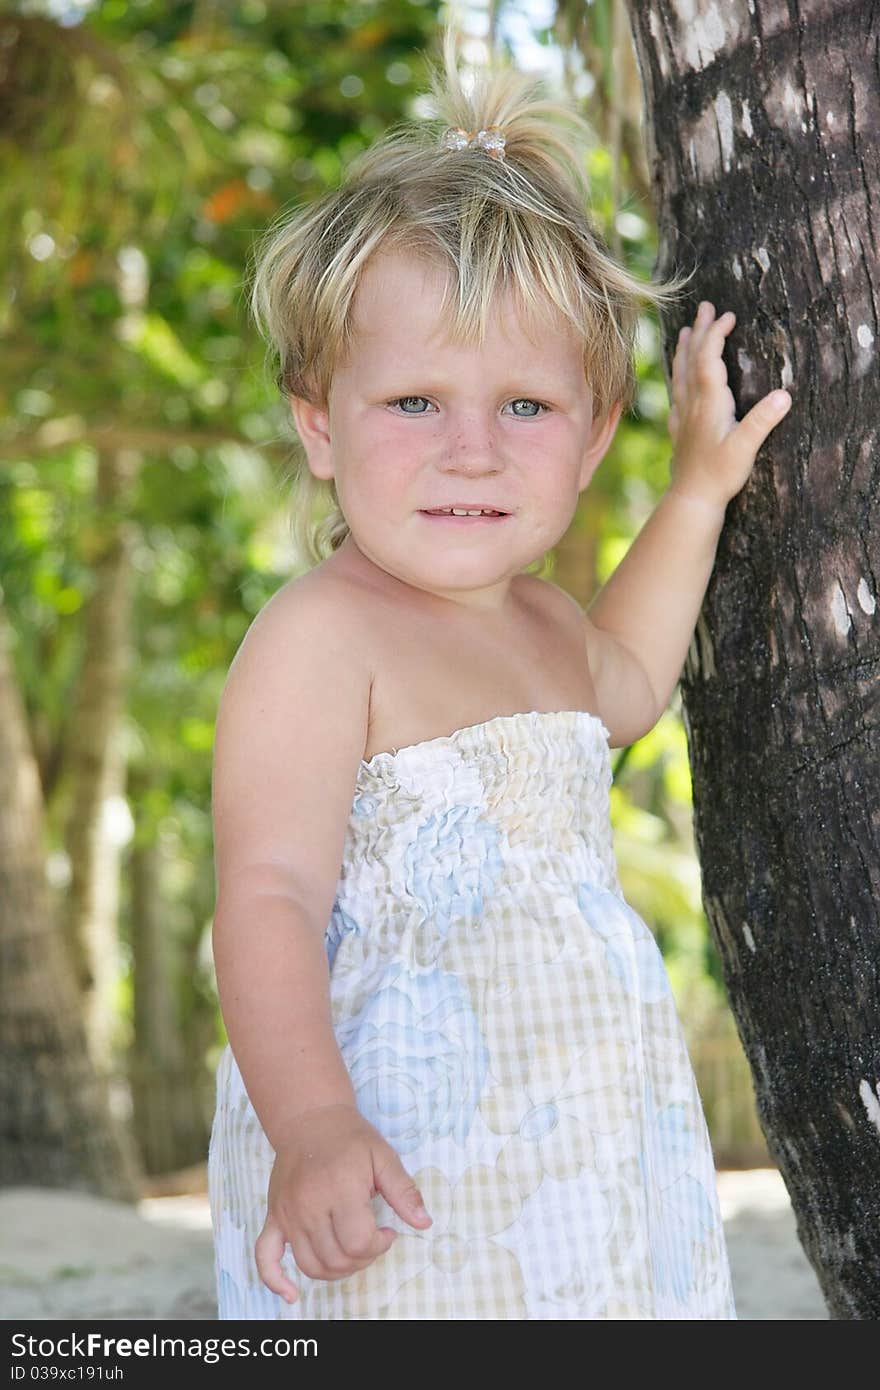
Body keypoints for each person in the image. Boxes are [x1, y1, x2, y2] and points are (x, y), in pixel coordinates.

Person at [206, 24, 791, 1320]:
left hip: (591, 1173)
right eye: (415, 402)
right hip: (399, 1168)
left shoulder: (543, 624)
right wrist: (311, 1121)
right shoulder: (320, 636)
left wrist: (698, 491)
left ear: (587, 442)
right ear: (319, 424)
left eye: (523, 408)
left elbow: (633, 677)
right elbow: (265, 892)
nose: (471, 451)